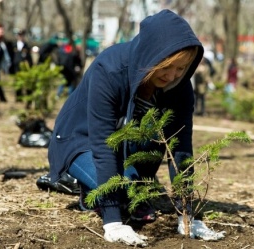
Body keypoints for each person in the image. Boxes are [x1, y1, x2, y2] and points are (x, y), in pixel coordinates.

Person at [47, 9, 225, 247]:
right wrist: (112, 221)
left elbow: (180, 147)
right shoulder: (109, 70)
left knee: (137, 199)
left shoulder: (179, 88)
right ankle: (86, 188)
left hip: (126, 147)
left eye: (181, 68)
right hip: (80, 140)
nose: (172, 75)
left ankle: (120, 186)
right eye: (167, 66)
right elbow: (102, 142)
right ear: (153, 55)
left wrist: (187, 213)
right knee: (121, 194)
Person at [10, 29, 33, 102]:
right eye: (19, 35)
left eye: (22, 35)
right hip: (16, 66)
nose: (20, 37)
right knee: (17, 82)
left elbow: (29, 57)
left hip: (24, 66)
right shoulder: (13, 45)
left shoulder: (26, 46)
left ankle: (27, 98)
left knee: (26, 82)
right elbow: (11, 56)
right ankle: (18, 97)